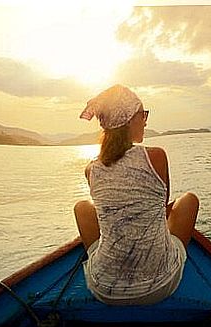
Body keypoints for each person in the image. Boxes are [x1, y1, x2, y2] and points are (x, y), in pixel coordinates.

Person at [74, 84, 199, 306]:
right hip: (159, 285)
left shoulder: (91, 169)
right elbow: (162, 205)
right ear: (130, 120)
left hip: (104, 289)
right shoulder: (156, 157)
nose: (146, 120)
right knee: (189, 200)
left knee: (82, 207)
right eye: (143, 114)